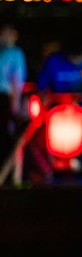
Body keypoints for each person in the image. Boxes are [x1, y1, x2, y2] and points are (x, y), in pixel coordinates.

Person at [0, 19, 25, 160]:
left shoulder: (12, 53)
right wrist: (15, 106)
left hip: (4, 98)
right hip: (4, 99)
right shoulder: (14, 54)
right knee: (5, 135)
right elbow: (17, 81)